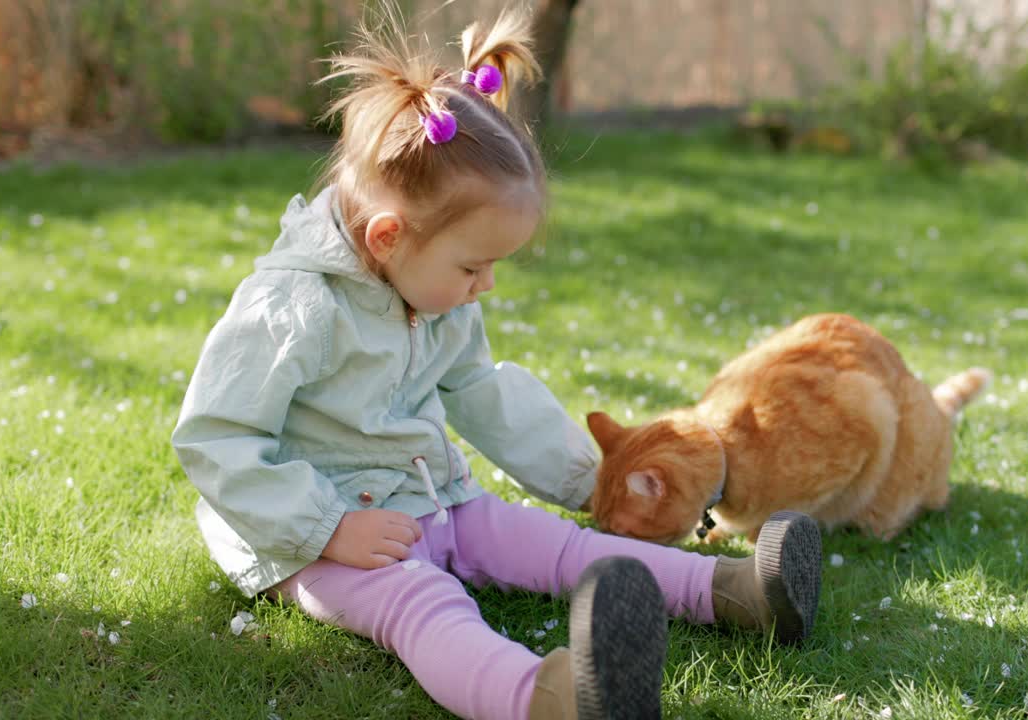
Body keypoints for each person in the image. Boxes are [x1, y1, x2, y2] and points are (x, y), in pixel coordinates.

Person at [171, 7, 822, 720]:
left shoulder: (435, 291)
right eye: (473, 265)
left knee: (553, 545)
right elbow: (218, 436)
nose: (485, 286)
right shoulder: (293, 307)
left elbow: (484, 392)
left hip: (435, 498)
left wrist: (588, 479)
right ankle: (552, 698)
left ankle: (735, 594)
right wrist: (326, 526)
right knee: (422, 602)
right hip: (317, 537)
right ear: (388, 238)